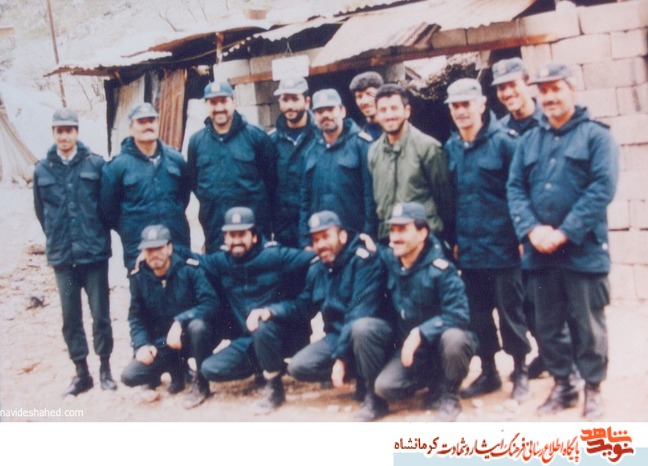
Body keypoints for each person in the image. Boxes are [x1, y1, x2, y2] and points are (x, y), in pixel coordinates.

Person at [507, 62, 619, 419]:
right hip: (540, 252)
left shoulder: (597, 137)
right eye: (544, 90)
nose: (550, 97)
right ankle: (563, 385)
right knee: (547, 324)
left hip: (583, 249)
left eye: (556, 89)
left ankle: (593, 389)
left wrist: (564, 232)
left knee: (587, 325)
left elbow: (602, 188)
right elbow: (515, 188)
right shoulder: (529, 141)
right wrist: (531, 229)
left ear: (573, 90)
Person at [444, 78, 531, 402]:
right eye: (455, 106)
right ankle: (489, 371)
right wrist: (453, 240)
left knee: (511, 314)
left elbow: (521, 192)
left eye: (466, 104)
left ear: (481, 105)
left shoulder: (505, 143)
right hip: (469, 250)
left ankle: (520, 370)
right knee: (478, 315)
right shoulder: (451, 148)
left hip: (503, 247)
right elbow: (450, 200)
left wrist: (522, 235)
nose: (461, 111)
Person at [269, 210, 393, 421]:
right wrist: (273, 310)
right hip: (337, 337)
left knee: (361, 329)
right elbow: (304, 305)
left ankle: (375, 399)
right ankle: (359, 374)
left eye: (326, 236)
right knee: (299, 367)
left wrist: (341, 359)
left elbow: (358, 312)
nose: (321, 244)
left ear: (342, 236)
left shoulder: (363, 261)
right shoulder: (318, 269)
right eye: (316, 240)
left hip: (370, 336)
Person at [198, 207, 317, 413]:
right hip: (248, 340)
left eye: (242, 234)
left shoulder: (275, 255)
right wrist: (148, 256)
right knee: (210, 369)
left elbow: (314, 258)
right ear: (225, 238)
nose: (236, 240)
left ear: (254, 236)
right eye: (231, 235)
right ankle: (265, 365)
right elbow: (190, 259)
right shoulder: (220, 261)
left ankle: (274, 387)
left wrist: (277, 309)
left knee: (261, 325)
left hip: (278, 333)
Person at [34, 108, 116, 397]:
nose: (64, 136)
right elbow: (42, 214)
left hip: (93, 255)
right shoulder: (42, 169)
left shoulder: (95, 164)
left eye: (69, 130)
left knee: (100, 315)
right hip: (63, 257)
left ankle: (105, 369)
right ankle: (82, 372)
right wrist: (59, 238)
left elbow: (107, 208)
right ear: (53, 133)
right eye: (60, 131)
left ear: (77, 132)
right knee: (70, 318)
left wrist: (94, 236)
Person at [374, 202, 475, 422]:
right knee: (385, 387)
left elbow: (458, 315)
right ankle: (431, 383)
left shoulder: (442, 269)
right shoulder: (392, 261)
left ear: (422, 234)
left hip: (440, 346)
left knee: (455, 339)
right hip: (414, 353)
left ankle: (450, 396)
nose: (394, 237)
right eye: (392, 230)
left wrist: (421, 332)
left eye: (402, 230)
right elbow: (375, 252)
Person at [492, 57, 554, 379]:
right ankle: (545, 355)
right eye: (501, 88)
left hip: (549, 226)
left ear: (527, 84)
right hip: (516, 229)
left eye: (513, 85)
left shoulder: (549, 122)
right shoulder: (501, 130)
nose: (507, 93)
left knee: (554, 299)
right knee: (525, 300)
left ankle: (562, 360)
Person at [121, 225, 219, 409]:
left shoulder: (189, 270)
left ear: (169, 248)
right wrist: (142, 345)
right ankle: (178, 371)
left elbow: (210, 303)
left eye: (159, 248)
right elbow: (136, 317)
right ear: (143, 252)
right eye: (149, 250)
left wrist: (181, 320)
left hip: (190, 338)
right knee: (130, 376)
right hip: (163, 344)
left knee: (198, 327)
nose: (154, 254)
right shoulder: (139, 278)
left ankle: (201, 383)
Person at [187, 80, 278, 253]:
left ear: (234, 102)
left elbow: (271, 182)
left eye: (223, 101)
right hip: (216, 230)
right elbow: (195, 184)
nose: (219, 107)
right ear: (206, 105)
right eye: (213, 102)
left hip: (253, 231)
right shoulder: (196, 143)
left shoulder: (256, 137)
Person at [100, 102, 191, 271]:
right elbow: (109, 211)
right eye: (141, 121)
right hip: (139, 249)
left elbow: (183, 198)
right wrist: (130, 229)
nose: (147, 125)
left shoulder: (176, 159)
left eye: (151, 120)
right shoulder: (117, 167)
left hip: (176, 244)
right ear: (131, 128)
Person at [369, 83, 454, 244]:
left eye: (394, 108)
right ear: (377, 115)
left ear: (407, 111)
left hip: (424, 240)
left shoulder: (427, 147)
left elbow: (445, 201)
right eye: (383, 110)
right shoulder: (374, 152)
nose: (389, 115)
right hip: (389, 241)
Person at [299, 88, 377, 247]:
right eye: (320, 111)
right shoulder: (310, 151)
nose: (325, 115)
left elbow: (370, 196)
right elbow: (305, 200)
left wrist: (368, 234)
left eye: (330, 109)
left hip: (355, 239)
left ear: (342, 111)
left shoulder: (362, 145)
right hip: (322, 241)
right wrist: (305, 241)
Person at [269, 77, 318, 248]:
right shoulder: (271, 141)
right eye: (285, 99)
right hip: (284, 229)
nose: (290, 105)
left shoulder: (321, 137)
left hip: (316, 225)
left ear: (307, 101)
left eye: (295, 99)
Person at [349, 71, 384, 140]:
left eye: (370, 94)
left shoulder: (396, 128)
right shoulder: (355, 134)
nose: (365, 101)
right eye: (359, 96)